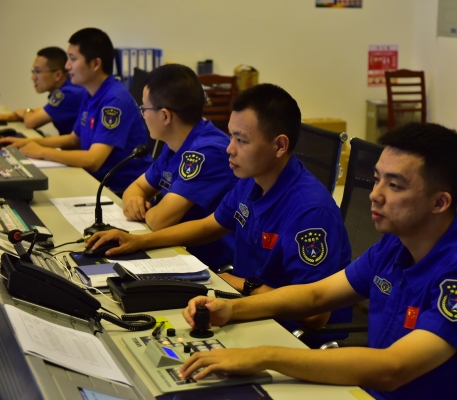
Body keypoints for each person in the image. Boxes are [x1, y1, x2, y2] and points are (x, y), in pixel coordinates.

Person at [178, 123, 457, 399]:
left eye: (395, 185)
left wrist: (264, 356)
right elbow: (316, 295)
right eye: (376, 179)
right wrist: (231, 309)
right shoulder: (396, 244)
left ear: (439, 203)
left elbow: (394, 367)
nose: (375, 194)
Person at [87, 83, 352, 339]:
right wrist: (138, 241)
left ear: (280, 146)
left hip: (289, 332)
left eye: (241, 140)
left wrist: (246, 286)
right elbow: (210, 225)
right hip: (247, 307)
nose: (229, 149)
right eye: (231, 136)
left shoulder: (310, 211)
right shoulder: (252, 180)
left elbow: (316, 314)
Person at [0, 28, 152, 192]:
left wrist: (42, 151)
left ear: (95, 64)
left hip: (119, 190)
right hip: (95, 181)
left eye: (73, 59)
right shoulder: (90, 93)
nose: (67, 66)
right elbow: (74, 139)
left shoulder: (114, 101)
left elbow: (93, 160)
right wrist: (28, 142)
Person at [123, 63, 237, 270]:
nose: (143, 115)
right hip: (178, 251)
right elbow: (136, 188)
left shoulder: (206, 152)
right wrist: (135, 201)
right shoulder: (176, 142)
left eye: (144, 108)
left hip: (211, 264)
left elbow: (160, 221)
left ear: (165, 116)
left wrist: (144, 210)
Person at [0, 47, 85, 135]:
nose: (33, 77)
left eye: (37, 71)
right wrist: (9, 116)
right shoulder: (69, 87)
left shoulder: (68, 94)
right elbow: (45, 110)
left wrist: (26, 111)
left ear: (57, 75)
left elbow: (31, 122)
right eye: (33, 71)